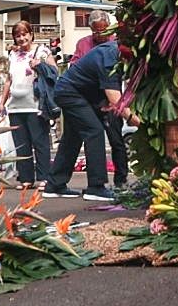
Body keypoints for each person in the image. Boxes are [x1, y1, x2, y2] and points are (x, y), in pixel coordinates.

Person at [44, 35, 125, 202]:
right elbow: (114, 97)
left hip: (75, 92)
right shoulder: (111, 55)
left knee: (72, 138)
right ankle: (96, 187)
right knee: (94, 131)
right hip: (70, 92)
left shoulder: (114, 52)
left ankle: (54, 184)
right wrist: (134, 118)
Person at [71, 10, 130, 190]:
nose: (101, 35)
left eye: (105, 31)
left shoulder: (115, 44)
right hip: (90, 100)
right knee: (92, 140)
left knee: (117, 140)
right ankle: (96, 183)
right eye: (97, 32)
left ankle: (121, 180)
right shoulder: (83, 44)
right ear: (91, 29)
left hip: (111, 99)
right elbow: (74, 66)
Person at [0, 20, 54, 188]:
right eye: (18, 36)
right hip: (15, 107)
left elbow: (55, 71)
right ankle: (26, 179)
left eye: (24, 34)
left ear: (31, 35)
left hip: (35, 105)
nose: (21, 38)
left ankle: (44, 177)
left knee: (40, 142)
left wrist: (40, 64)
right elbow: (9, 79)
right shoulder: (13, 55)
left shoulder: (42, 51)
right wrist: (2, 101)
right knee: (21, 144)